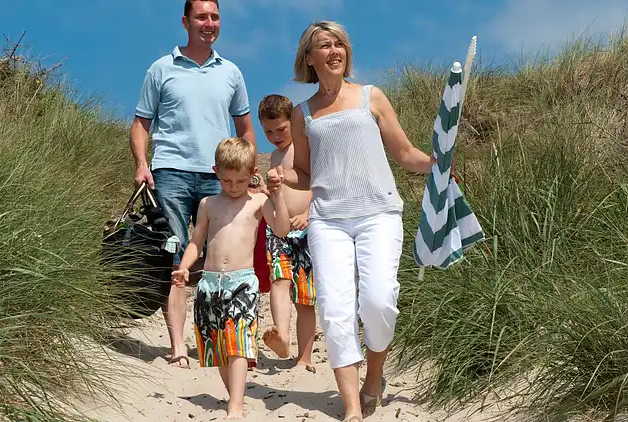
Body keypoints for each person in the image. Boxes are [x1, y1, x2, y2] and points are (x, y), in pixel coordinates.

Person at [266, 21, 434, 422]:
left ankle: (374, 375)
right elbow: (306, 173)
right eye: (325, 45)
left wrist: (437, 165)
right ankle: (353, 407)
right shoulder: (303, 113)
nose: (335, 50)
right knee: (335, 310)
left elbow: (405, 151)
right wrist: (281, 177)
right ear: (310, 58)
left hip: (378, 213)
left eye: (339, 43)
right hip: (328, 221)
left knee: (378, 300)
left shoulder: (371, 97)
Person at [129, 0, 257, 369]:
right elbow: (141, 124)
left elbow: (245, 128)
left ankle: (220, 341)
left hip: (221, 176)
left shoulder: (231, 72)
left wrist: (251, 169)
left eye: (215, 17)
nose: (209, 23)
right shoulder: (161, 68)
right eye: (202, 17)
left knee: (218, 259)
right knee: (177, 256)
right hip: (170, 171)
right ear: (186, 21)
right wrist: (142, 164)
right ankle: (178, 347)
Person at [171, 137, 289, 419]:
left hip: (242, 283)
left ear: (252, 175)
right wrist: (185, 267)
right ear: (216, 172)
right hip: (209, 284)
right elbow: (196, 242)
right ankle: (232, 397)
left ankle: (237, 404)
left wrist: (278, 195)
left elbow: (282, 229)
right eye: (226, 180)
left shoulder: (258, 201)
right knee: (219, 347)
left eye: (240, 180)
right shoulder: (208, 204)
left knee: (238, 343)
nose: (233, 186)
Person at [257, 94, 318, 373]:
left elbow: (319, 183)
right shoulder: (274, 156)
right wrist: (263, 191)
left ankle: (304, 356)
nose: (275, 136)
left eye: (280, 129)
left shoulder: (305, 148)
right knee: (279, 281)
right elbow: (277, 192)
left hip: (304, 229)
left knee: (305, 297)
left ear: (293, 124)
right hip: (278, 229)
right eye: (268, 131)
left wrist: (308, 214)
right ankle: (281, 336)